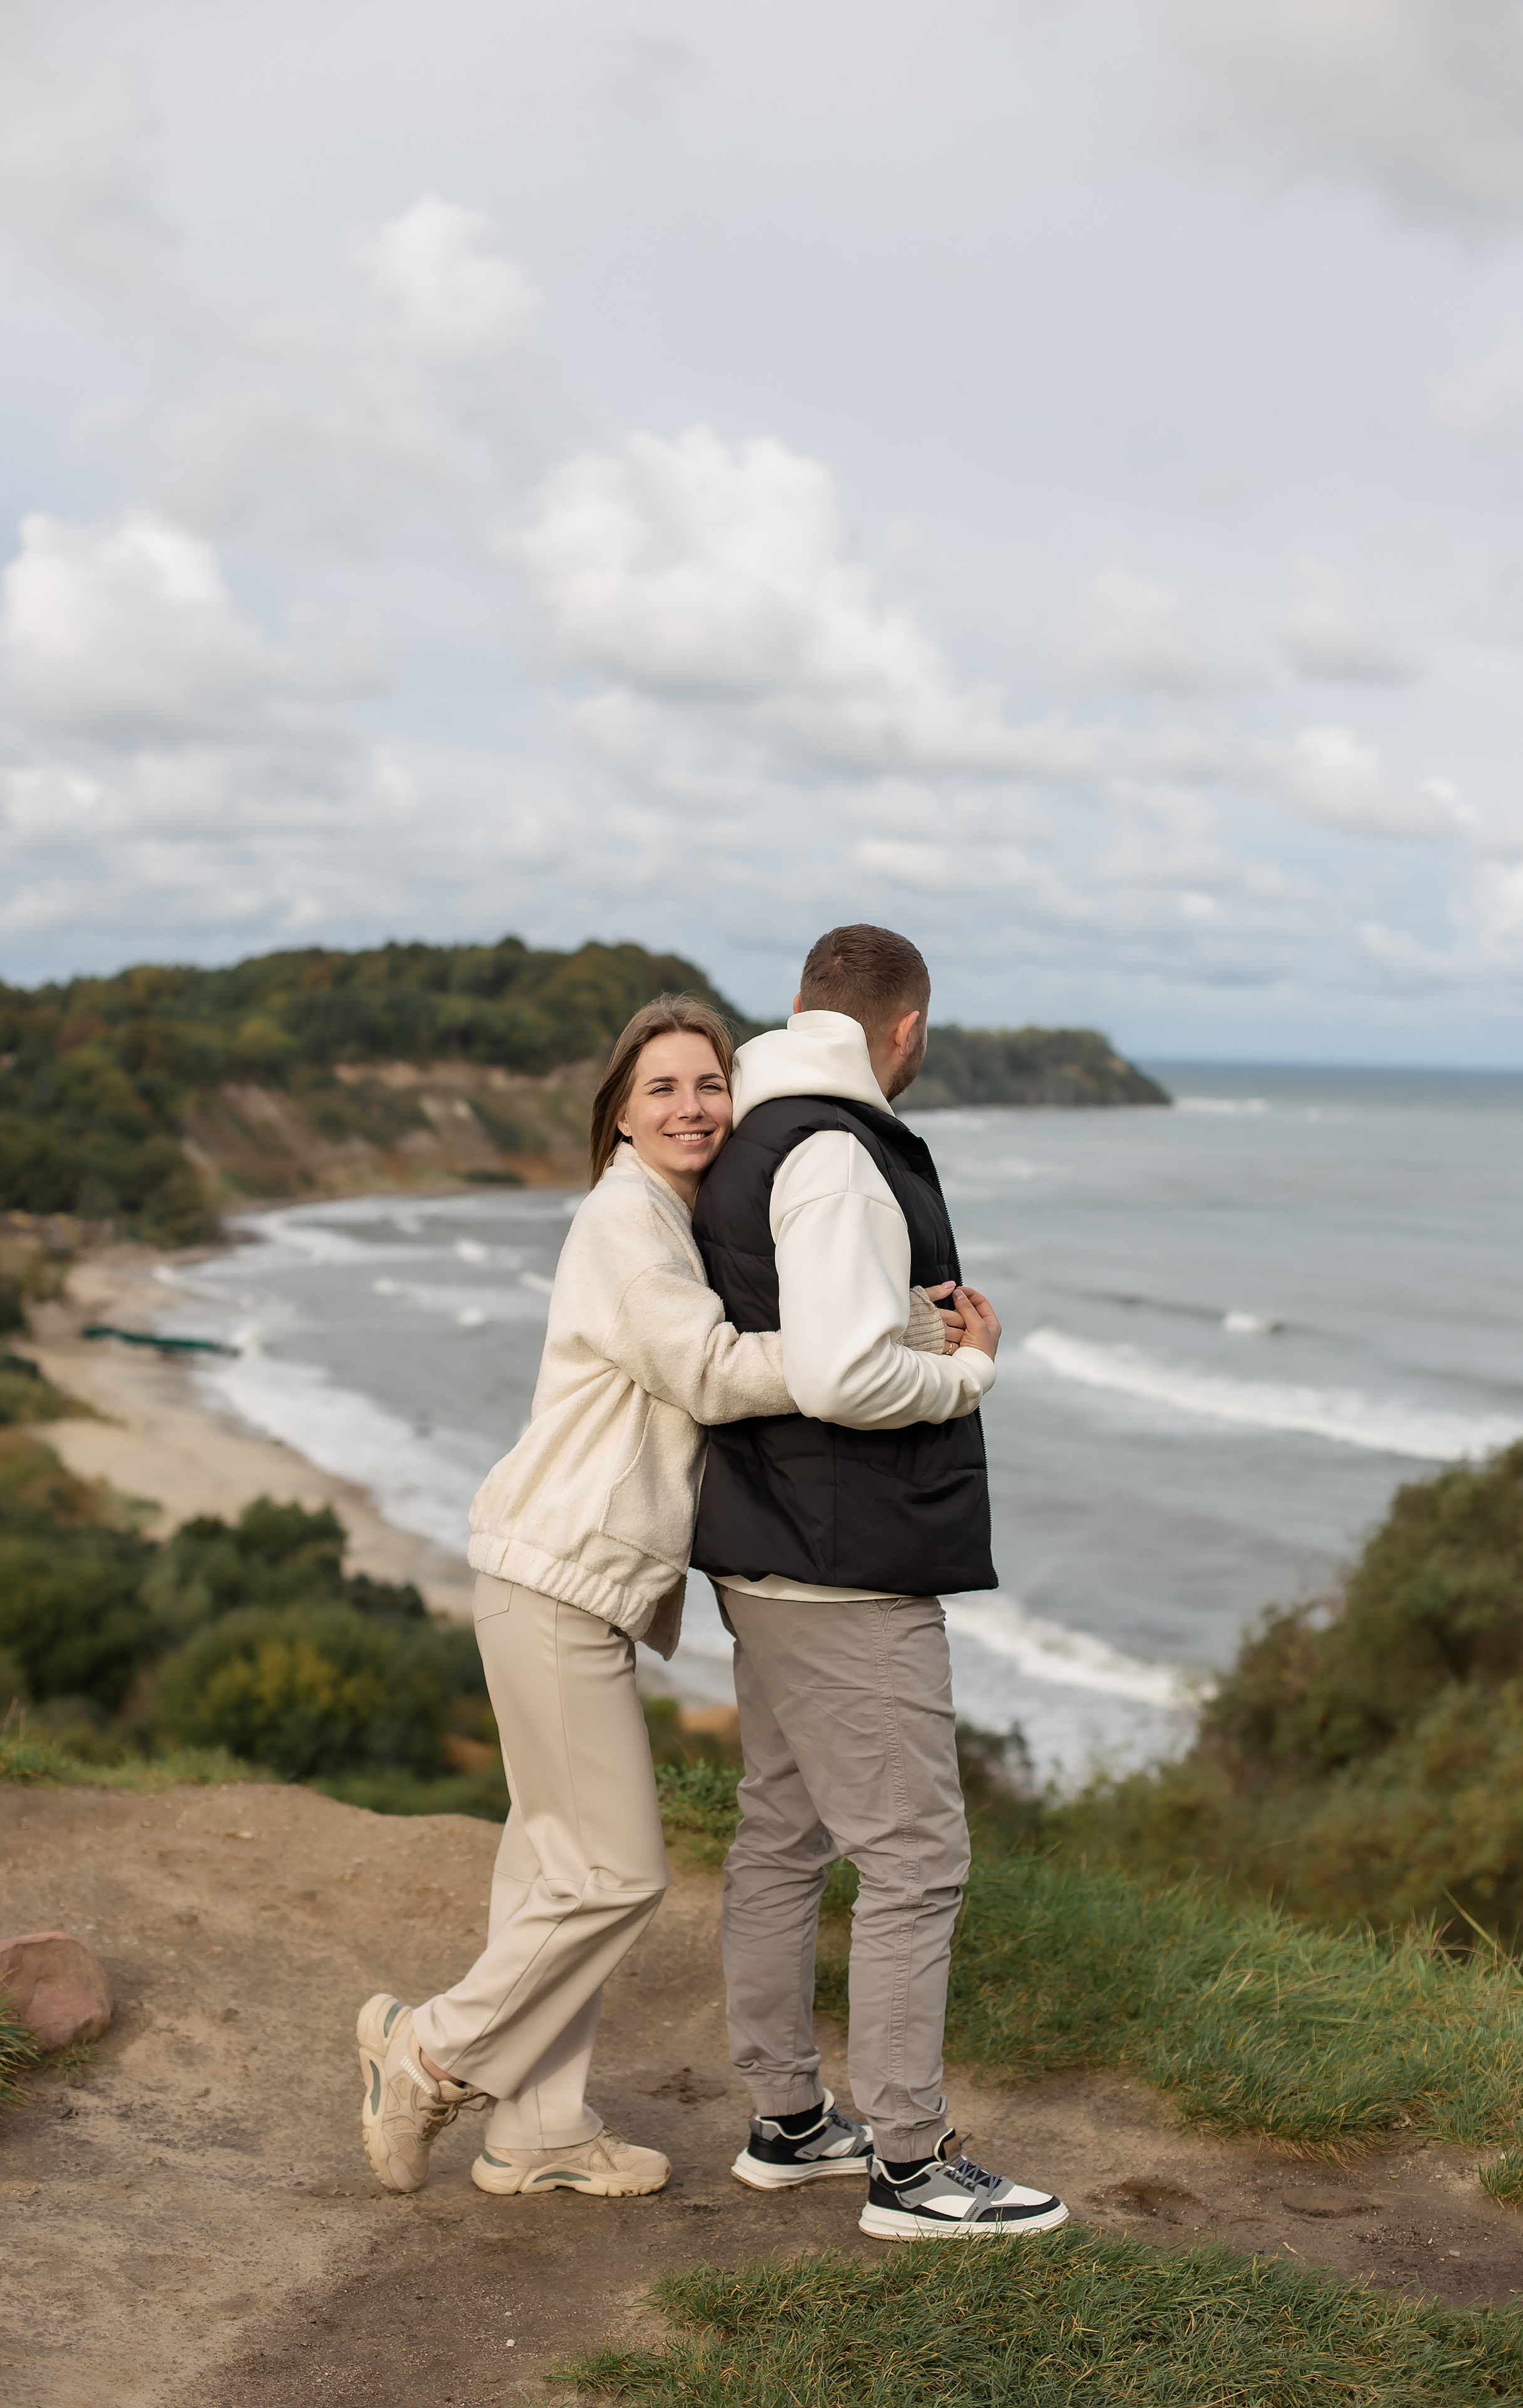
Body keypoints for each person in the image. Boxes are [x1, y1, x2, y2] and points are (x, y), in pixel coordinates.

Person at [354, 989, 952, 2204]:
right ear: (619, 1117)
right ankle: (428, 2050)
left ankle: (534, 2133)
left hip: (559, 1580)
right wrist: (884, 1344)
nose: (692, 1107)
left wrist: (876, 1317)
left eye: (708, 1083)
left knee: (545, 1867)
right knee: (616, 1873)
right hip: (552, 1580)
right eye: (662, 1088)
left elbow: (725, 1340)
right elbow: (713, 1369)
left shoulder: (677, 1222)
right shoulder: (625, 1221)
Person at [690, 924, 1070, 2240]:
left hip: (768, 1546)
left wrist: (902, 1329)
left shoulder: (753, 1135)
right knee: (914, 1862)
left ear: (800, 1013)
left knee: (784, 1835)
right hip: (844, 1563)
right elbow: (843, 1376)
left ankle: (789, 2121)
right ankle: (907, 2165)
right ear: (900, 1032)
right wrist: (963, 1370)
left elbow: (809, 1334)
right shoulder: (841, 1156)